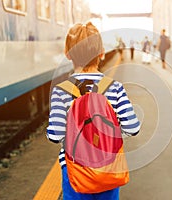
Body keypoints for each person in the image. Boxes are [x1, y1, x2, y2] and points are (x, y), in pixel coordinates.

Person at [46, 22, 141, 200]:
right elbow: (132, 128)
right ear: (102, 53)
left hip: (75, 170)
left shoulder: (61, 91)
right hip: (109, 167)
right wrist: (106, 136)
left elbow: (55, 135)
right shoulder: (114, 87)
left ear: (67, 54)